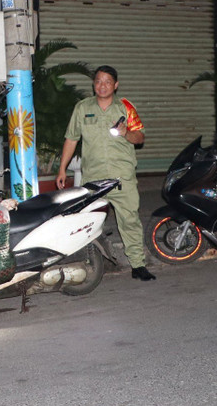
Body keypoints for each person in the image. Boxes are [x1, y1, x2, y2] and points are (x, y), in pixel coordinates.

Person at [56, 65, 156, 282]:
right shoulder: (82, 108)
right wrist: (62, 168)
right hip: (94, 178)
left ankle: (138, 265)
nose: (102, 86)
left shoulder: (126, 107)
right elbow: (71, 139)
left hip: (122, 177)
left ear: (115, 85)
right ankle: (87, 263)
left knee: (129, 220)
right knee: (87, 222)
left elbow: (140, 138)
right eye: (98, 81)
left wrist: (126, 132)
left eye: (107, 82)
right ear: (94, 84)